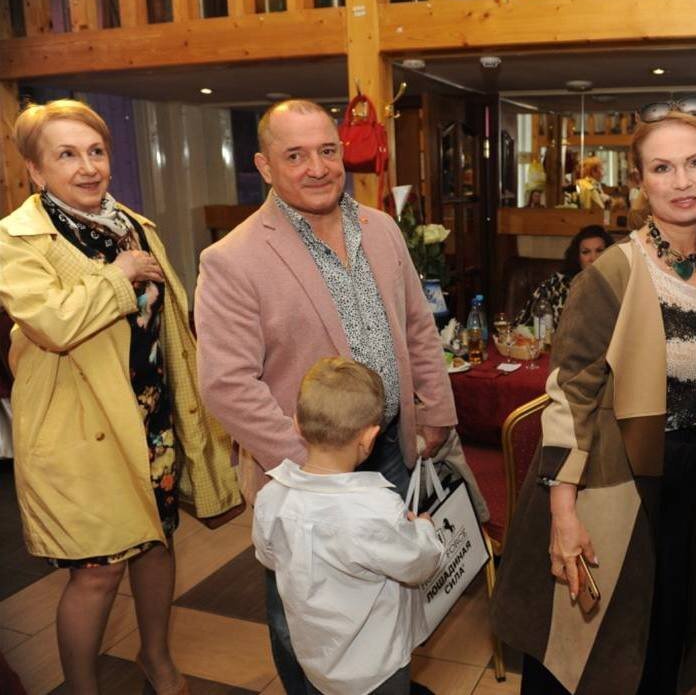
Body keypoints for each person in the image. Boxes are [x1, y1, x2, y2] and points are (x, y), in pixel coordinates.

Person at [195, 99, 456, 694]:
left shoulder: (381, 228)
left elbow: (418, 325)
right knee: (307, 618)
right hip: (304, 478)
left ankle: (386, 678)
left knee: (388, 590)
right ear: (264, 166)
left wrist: (436, 410)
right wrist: (315, 464)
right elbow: (227, 384)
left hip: (391, 448)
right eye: (295, 155)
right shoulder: (232, 258)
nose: (317, 167)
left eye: (327, 150)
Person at [491, 99, 696, 695]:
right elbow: (569, 394)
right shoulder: (613, 272)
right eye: (662, 168)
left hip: (695, 485)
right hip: (620, 481)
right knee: (594, 653)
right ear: (640, 182)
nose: (682, 182)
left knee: (663, 641)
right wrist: (563, 512)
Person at [0, 99, 240, 694]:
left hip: (150, 417)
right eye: (66, 155)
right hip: (78, 430)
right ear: (35, 170)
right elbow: (52, 324)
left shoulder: (132, 226)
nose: (88, 167)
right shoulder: (16, 239)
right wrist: (120, 275)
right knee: (96, 572)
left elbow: (169, 326)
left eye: (96, 151)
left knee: (156, 545)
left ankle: (156, 657)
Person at [253, 357, 443, 695]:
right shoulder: (376, 509)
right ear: (369, 438)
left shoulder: (271, 497)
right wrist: (425, 530)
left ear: (296, 424)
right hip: (376, 669)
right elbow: (418, 563)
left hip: (315, 660)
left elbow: (270, 557)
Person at [513, 225, 613, 328]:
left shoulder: (617, 285)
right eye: (586, 252)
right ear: (577, 258)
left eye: (599, 250)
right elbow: (522, 324)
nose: (593, 258)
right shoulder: (557, 284)